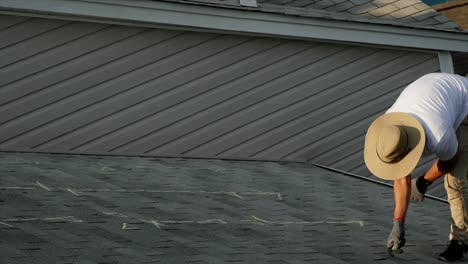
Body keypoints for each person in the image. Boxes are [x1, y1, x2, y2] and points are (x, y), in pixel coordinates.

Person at [363, 72, 468, 262]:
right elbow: (401, 176)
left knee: (456, 181)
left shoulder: (439, 136)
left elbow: (449, 161)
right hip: (436, 95)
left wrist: (423, 182)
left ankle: (460, 242)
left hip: (465, 102)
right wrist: (398, 224)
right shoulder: (391, 129)